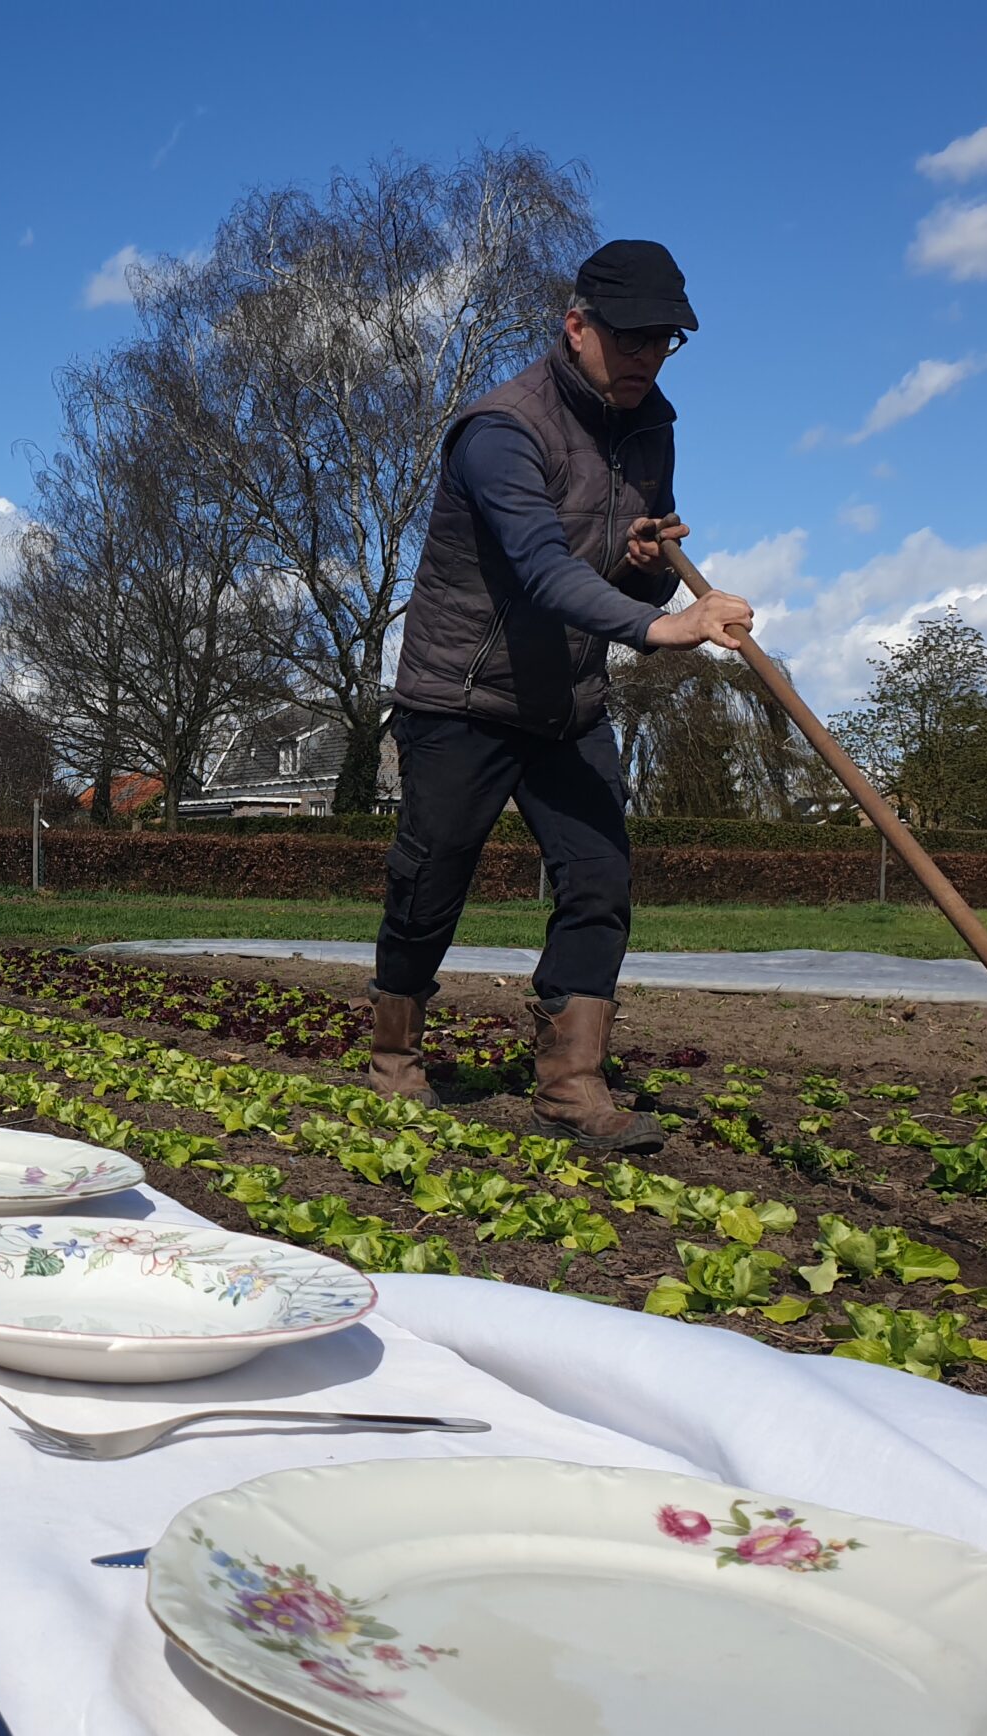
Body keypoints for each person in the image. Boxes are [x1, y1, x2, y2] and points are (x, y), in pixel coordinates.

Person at [369, 238, 754, 1151]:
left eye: (663, 341)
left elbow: (622, 584)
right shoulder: (503, 430)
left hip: (569, 701)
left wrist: (645, 572)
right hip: (462, 695)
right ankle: (394, 1058)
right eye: (629, 338)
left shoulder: (651, 427)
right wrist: (668, 630)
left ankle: (573, 1088)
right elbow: (540, 568)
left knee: (600, 880)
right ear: (576, 326)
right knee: (431, 883)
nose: (645, 358)